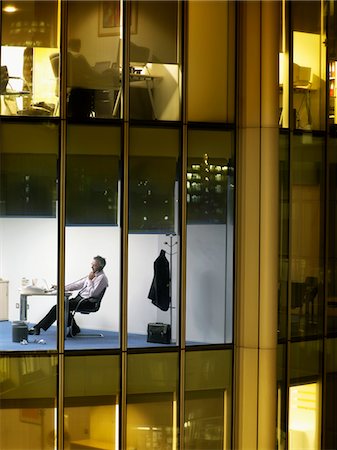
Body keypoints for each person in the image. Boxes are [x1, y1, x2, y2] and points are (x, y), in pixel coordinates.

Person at [29, 256, 108, 337]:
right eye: (92, 264)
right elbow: (77, 285)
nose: (91, 266)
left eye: (94, 265)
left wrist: (90, 280)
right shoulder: (93, 274)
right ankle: (74, 328)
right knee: (62, 307)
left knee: (59, 307)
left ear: (100, 266)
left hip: (88, 302)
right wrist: (61, 287)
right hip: (80, 299)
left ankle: (38, 328)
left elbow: (92, 294)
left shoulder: (102, 278)